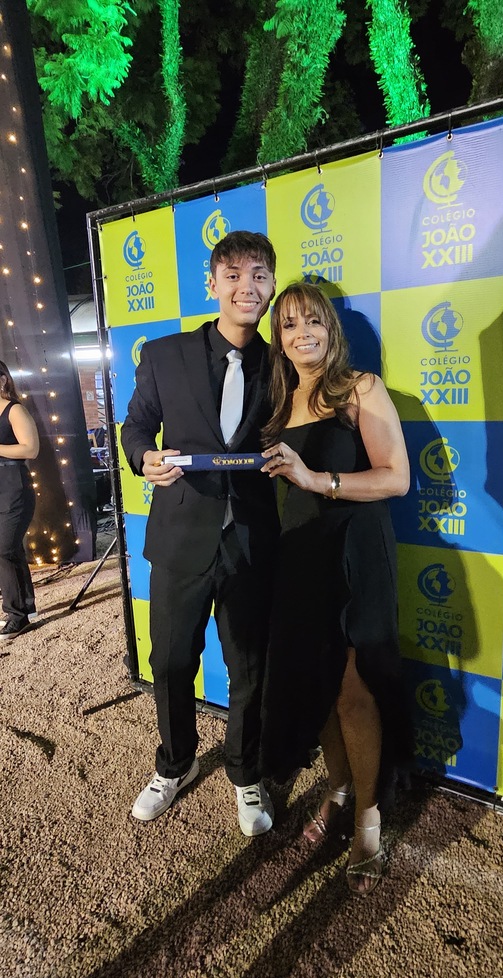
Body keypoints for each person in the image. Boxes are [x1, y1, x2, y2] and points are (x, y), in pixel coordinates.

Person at [121, 231, 280, 836]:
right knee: (170, 661)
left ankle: (245, 772)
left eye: (259, 275)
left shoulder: (282, 364)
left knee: (249, 667)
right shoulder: (165, 354)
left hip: (251, 539)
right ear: (212, 284)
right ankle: (175, 764)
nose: (247, 287)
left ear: (271, 285)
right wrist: (144, 458)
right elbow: (135, 426)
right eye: (233, 275)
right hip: (181, 536)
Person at [259, 283, 412, 896]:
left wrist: (317, 478)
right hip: (300, 558)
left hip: (356, 553)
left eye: (313, 321)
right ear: (279, 339)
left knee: (354, 692)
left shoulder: (360, 388)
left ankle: (369, 817)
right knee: (319, 688)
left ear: (331, 329)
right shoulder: (278, 402)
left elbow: (396, 478)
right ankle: (340, 787)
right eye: (289, 324)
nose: (302, 333)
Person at [0, 360, 40, 640]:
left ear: (2, 380)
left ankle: (16, 615)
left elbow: (31, 449)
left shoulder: (14, 410)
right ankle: (26, 607)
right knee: (11, 550)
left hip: (14, 486)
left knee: (3, 548)